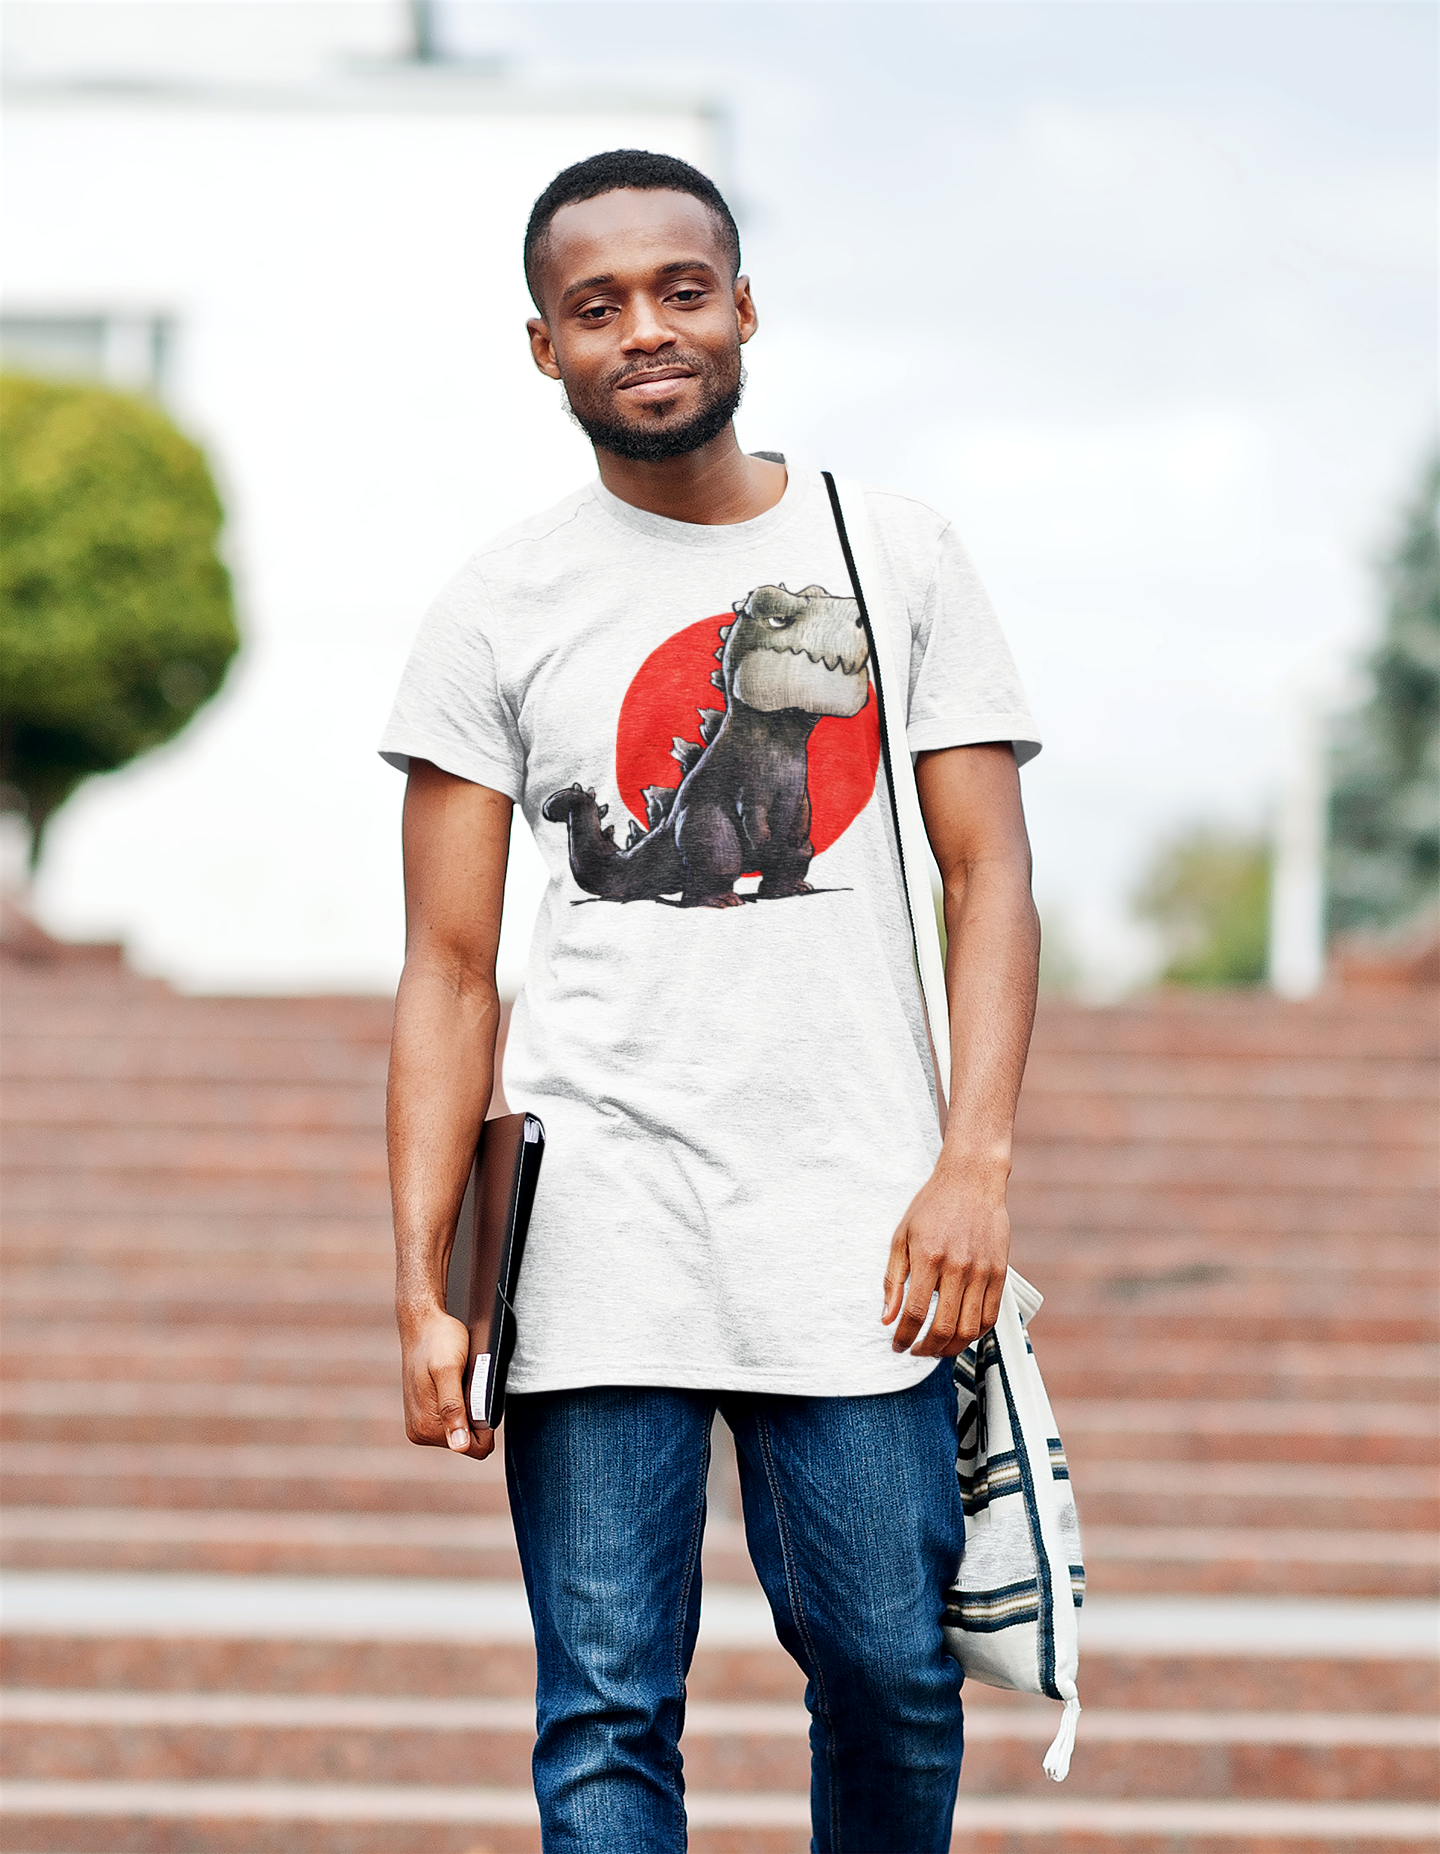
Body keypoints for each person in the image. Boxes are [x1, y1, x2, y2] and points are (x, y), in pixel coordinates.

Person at [381, 148, 1041, 1854]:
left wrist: (974, 1163)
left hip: (859, 1219)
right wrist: (424, 1283)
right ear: (545, 345)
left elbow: (989, 874)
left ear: (744, 306)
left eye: (681, 290)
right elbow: (447, 968)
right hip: (597, 1226)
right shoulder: (497, 603)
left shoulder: (894, 552)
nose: (646, 331)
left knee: (893, 1675)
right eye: (596, 305)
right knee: (606, 1706)